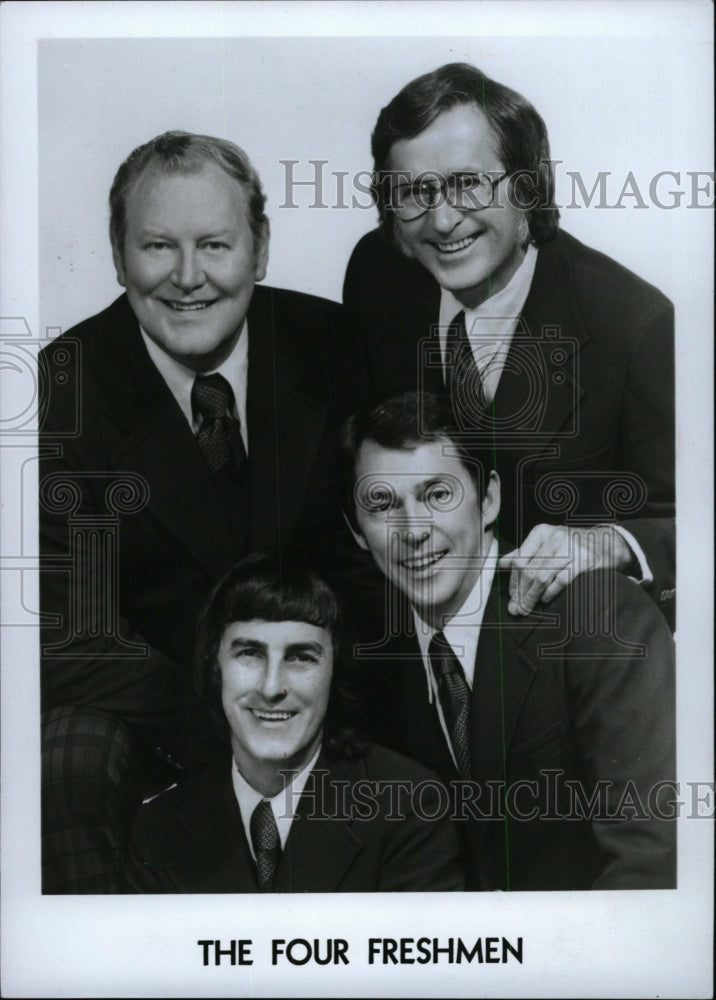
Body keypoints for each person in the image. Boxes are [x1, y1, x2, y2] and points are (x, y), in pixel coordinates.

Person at [39, 131, 366, 892]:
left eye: (215, 245)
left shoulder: (333, 342)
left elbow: (373, 554)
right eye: (158, 246)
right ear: (118, 257)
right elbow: (71, 640)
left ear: (260, 249)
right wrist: (233, 723)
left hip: (326, 692)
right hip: (163, 714)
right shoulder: (65, 388)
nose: (188, 279)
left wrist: (316, 706)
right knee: (67, 755)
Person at [343, 62, 675, 629]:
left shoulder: (633, 324)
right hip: (416, 650)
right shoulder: (378, 276)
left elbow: (691, 520)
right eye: (415, 193)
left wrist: (608, 543)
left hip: (559, 650)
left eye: (468, 183)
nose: (444, 221)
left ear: (528, 185)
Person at [341, 391, 676, 890]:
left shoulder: (595, 615)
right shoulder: (374, 671)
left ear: (489, 498)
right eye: (383, 504)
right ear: (356, 530)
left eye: (437, 495)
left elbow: (653, 856)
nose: (413, 531)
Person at [126, 553, 464, 893]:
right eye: (250, 654)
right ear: (215, 667)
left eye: (301, 657)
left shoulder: (407, 807)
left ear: (335, 672)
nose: (272, 688)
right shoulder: (160, 829)